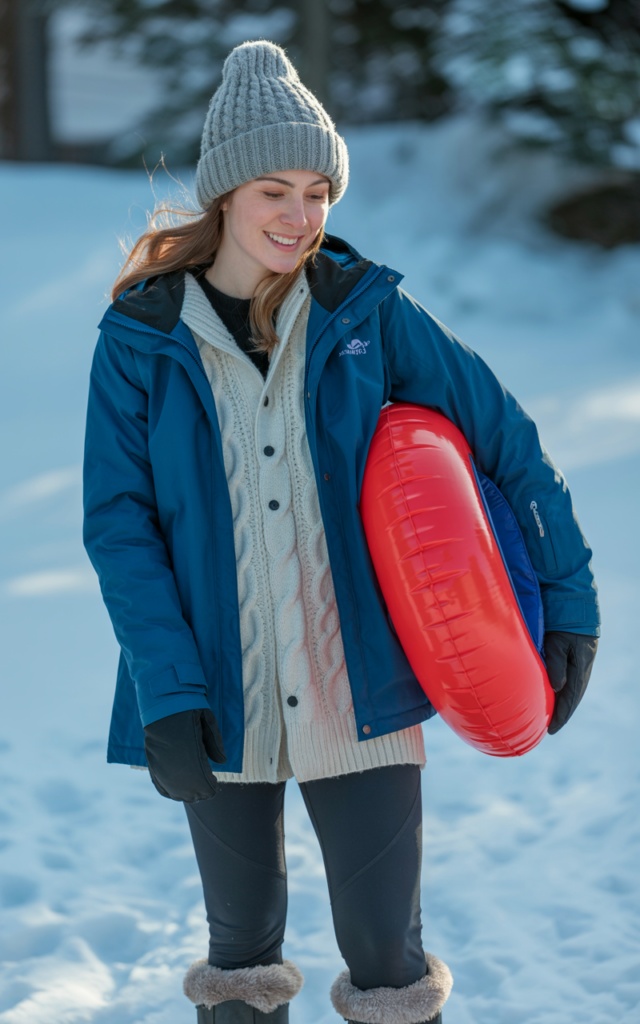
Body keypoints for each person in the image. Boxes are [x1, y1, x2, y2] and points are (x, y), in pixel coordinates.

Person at [83, 40, 600, 1024]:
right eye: (275, 190)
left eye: (318, 191)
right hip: (213, 692)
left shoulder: (369, 314)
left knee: (387, 959)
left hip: (357, 686)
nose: (300, 215)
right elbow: (121, 524)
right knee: (239, 956)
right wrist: (166, 686)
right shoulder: (141, 341)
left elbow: (512, 451)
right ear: (226, 196)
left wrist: (568, 605)